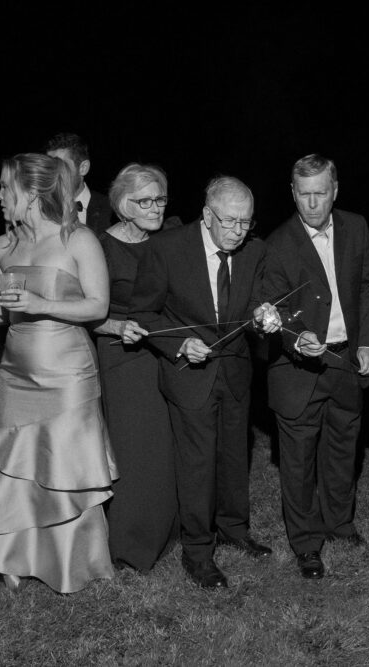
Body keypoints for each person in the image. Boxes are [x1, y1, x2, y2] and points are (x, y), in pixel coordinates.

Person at [0, 153, 117, 593]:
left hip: (68, 375)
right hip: (15, 374)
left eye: (4, 187)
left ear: (31, 194)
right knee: (16, 472)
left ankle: (73, 564)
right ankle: (14, 561)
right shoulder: (2, 248)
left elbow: (97, 307)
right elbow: (1, 314)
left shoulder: (78, 241)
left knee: (64, 470)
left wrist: (42, 305)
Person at [128, 176, 280, 589]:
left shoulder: (255, 249)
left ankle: (235, 529)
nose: (238, 231)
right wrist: (180, 344)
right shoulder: (166, 248)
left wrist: (263, 315)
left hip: (235, 372)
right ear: (207, 214)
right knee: (197, 466)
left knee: (234, 456)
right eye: (229, 222)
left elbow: (252, 302)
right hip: (189, 374)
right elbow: (144, 313)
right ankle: (198, 551)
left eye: (245, 223)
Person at [263, 154, 369, 579]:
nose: (312, 203)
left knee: (342, 449)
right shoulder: (276, 244)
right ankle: (307, 543)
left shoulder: (357, 227)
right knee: (297, 459)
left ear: (335, 190)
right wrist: (296, 339)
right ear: (293, 193)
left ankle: (339, 524)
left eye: (321, 193)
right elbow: (271, 310)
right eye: (304, 194)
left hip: (346, 360)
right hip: (299, 370)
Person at [93, 163, 181, 573]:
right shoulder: (98, 246)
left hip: (172, 351)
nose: (156, 208)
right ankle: (130, 544)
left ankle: (172, 529)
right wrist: (116, 326)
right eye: (145, 201)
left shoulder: (173, 237)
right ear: (123, 205)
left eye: (160, 199)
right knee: (136, 451)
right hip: (124, 357)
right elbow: (85, 311)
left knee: (169, 446)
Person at [46, 132, 114, 235]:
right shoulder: (42, 208)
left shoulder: (111, 210)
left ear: (83, 168)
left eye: (61, 166)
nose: (52, 174)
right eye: (49, 167)